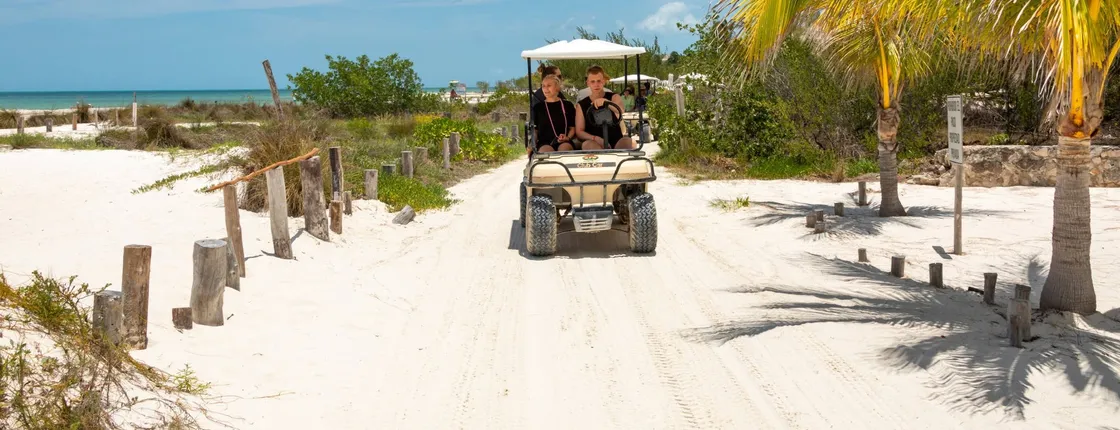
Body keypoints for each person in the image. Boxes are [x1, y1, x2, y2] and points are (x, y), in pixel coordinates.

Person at [575, 65, 636, 150]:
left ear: (603, 81)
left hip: (616, 140)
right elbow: (579, 132)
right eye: (593, 82)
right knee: (588, 145)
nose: (596, 84)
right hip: (594, 141)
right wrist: (595, 138)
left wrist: (606, 102)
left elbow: (621, 110)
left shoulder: (614, 97)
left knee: (631, 143)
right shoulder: (581, 105)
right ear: (588, 83)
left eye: (599, 81)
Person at [529, 74, 576, 155]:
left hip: (564, 141)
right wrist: (532, 144)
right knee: (546, 152)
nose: (545, 89)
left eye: (549, 85)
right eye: (543, 86)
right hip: (545, 142)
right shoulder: (538, 107)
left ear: (557, 87)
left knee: (564, 150)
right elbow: (535, 131)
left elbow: (572, 128)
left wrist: (567, 137)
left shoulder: (568, 105)